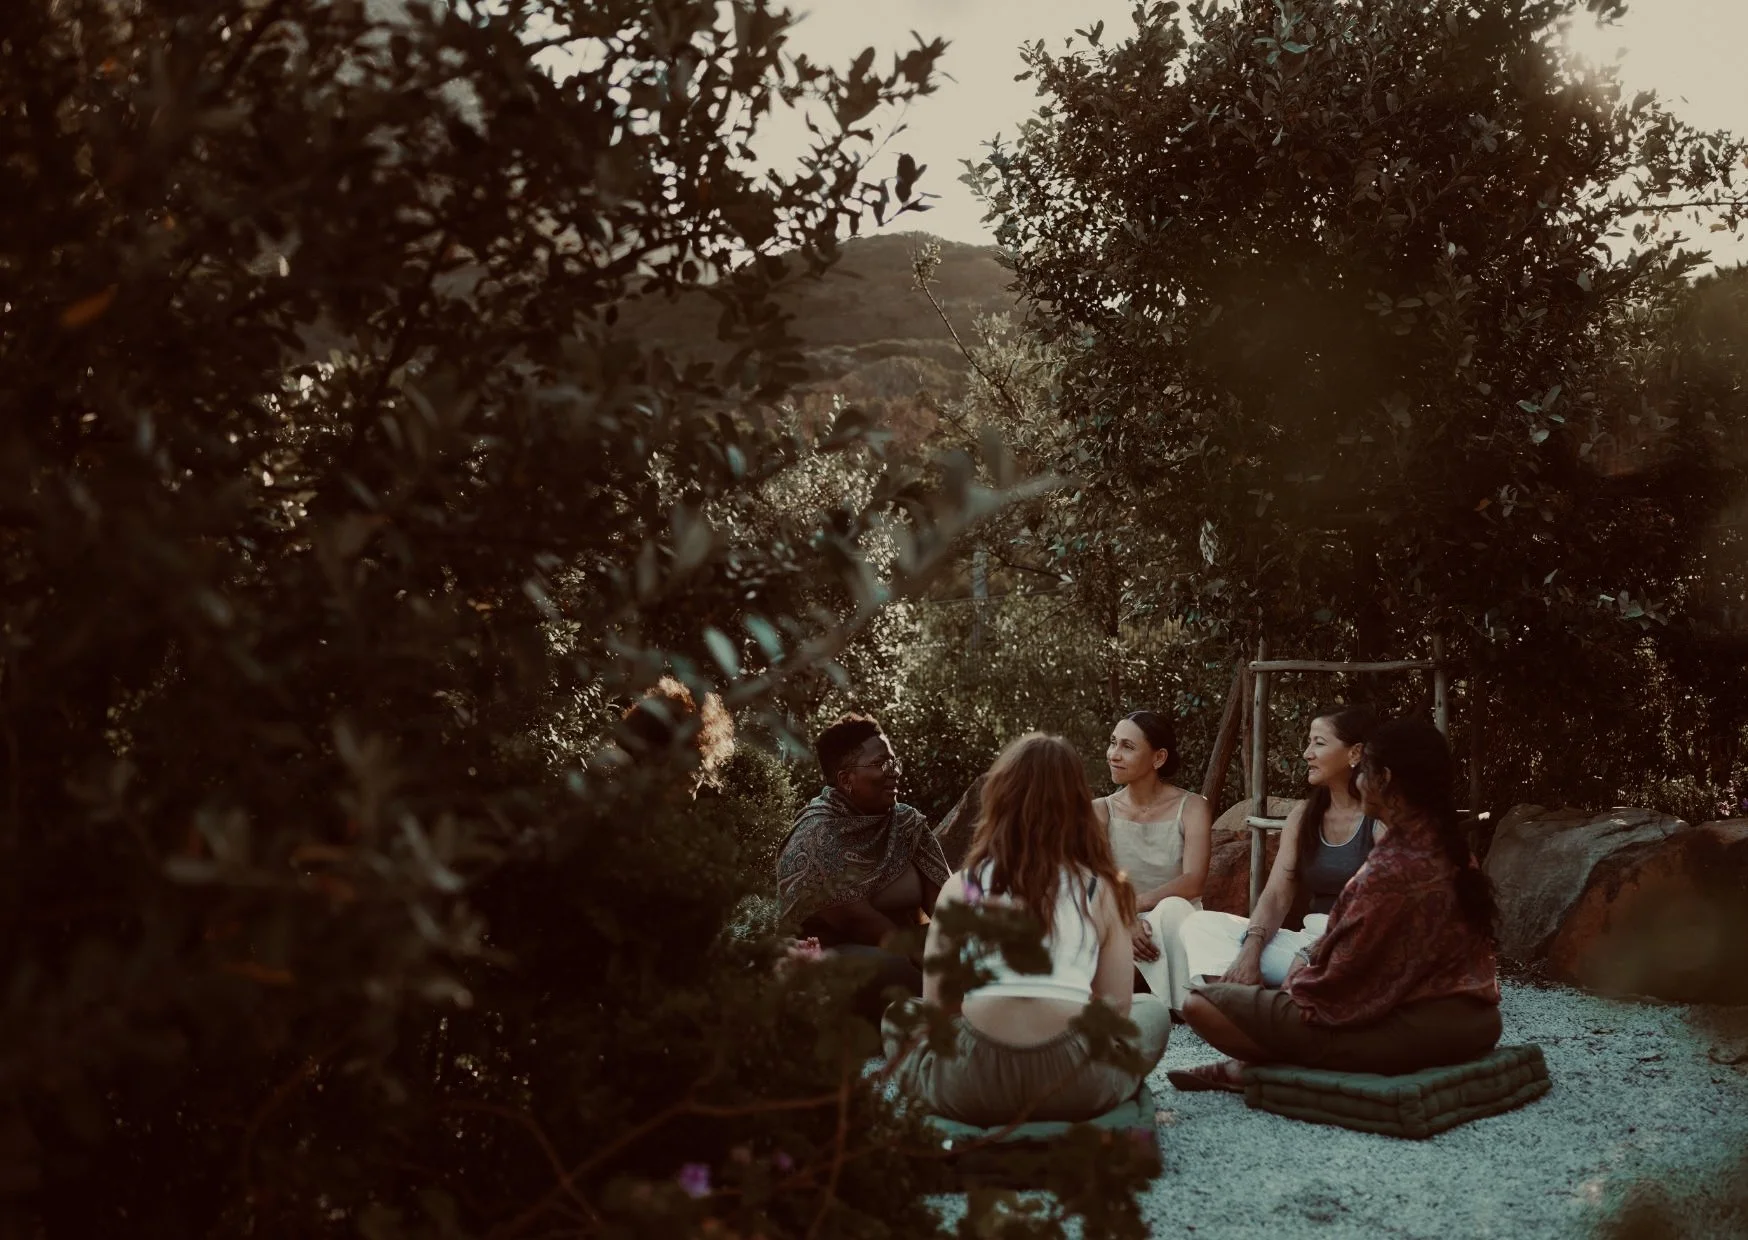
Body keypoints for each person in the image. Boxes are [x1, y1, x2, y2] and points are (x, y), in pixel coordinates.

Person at [1172, 718, 1502, 1089]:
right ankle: (1260, 1059)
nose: (1359, 779)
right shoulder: (1449, 851)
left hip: (1416, 1028)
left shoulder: (1390, 868)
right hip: (1478, 1024)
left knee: (1201, 1004)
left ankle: (1250, 1069)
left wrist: (1292, 991)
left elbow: (1340, 985)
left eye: (1366, 771)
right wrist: (1256, 950)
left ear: (1384, 779)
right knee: (1210, 935)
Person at [883, 734, 1169, 1125]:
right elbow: (1115, 1009)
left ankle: (968, 1106)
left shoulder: (961, 889)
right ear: (1077, 807)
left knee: (901, 1015)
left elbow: (938, 1009)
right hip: (1072, 1085)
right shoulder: (1102, 891)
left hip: (974, 1086)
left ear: (999, 801)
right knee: (1150, 1011)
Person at [1178, 706, 1380, 986]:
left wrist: (1311, 953)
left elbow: (1385, 907)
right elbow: (1276, 895)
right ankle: (1246, 1001)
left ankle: (1246, 1005)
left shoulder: (1380, 818)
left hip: (1358, 946)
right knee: (1200, 925)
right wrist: (1251, 949)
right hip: (1306, 941)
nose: (1307, 753)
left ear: (1355, 753)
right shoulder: (1303, 816)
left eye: (1319, 743)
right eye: (1309, 742)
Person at [776, 714, 949, 1016]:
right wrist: (929, 960)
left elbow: (946, 902)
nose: (894, 772)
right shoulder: (815, 835)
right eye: (881, 764)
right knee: (896, 972)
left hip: (910, 945)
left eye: (894, 762)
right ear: (846, 780)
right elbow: (856, 920)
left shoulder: (907, 824)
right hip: (838, 954)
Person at [1094, 711, 1211, 1012]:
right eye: (1113, 743)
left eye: (1127, 747)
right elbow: (1094, 882)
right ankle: (1181, 1009)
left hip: (1175, 922)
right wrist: (1124, 917)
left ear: (1158, 758)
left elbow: (1194, 881)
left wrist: (1137, 906)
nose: (1114, 755)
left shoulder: (1192, 807)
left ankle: (1184, 1010)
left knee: (1172, 908)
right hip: (1116, 918)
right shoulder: (1099, 811)